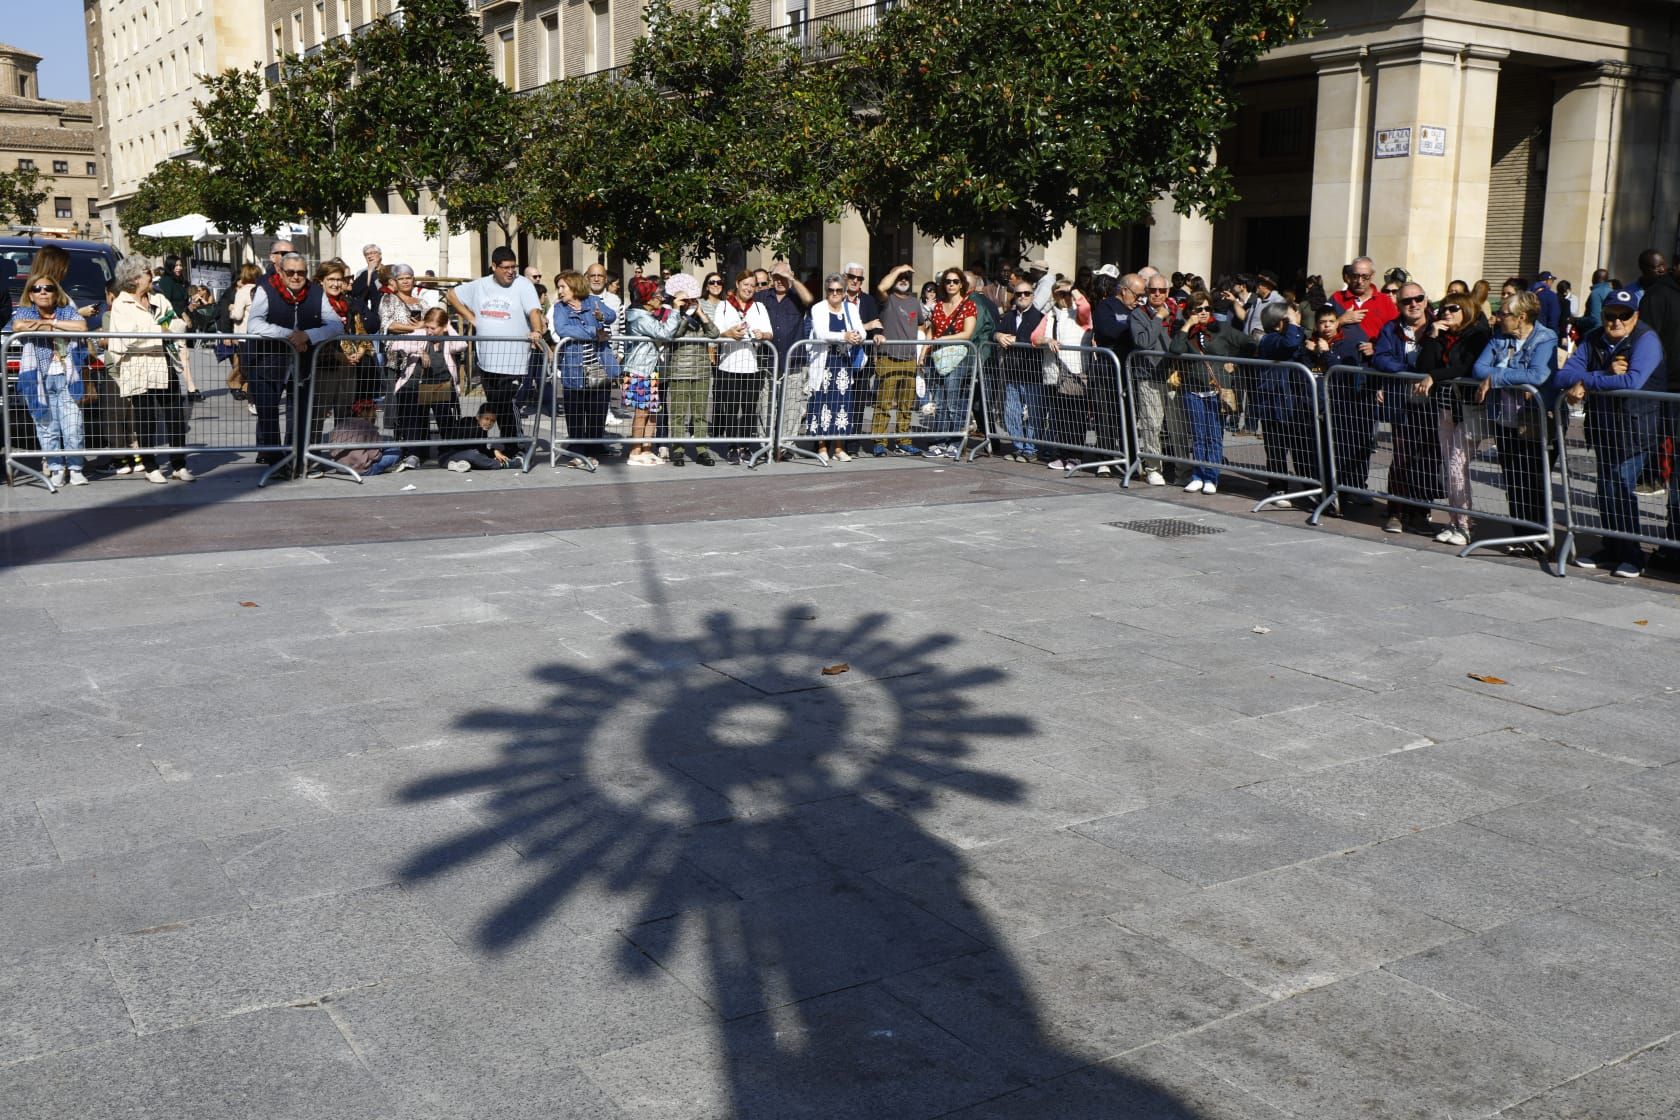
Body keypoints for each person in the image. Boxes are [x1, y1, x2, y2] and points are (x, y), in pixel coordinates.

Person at [1555, 288, 1667, 577]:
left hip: (1636, 429)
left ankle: (1632, 555)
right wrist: (1602, 374)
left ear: (1635, 316)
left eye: (1624, 315)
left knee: (1619, 485)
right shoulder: (1594, 338)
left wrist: (1586, 382)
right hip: (1602, 428)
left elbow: (1633, 380)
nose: (1617, 321)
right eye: (1611, 315)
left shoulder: (1646, 340)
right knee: (1605, 489)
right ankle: (1612, 547)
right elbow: (1563, 375)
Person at [1471, 289, 1558, 545]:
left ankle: (1540, 539)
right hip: (1504, 418)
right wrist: (1501, 376)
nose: (1498, 318)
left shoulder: (1545, 337)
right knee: (1513, 480)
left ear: (1521, 317)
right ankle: (1520, 538)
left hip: (1534, 420)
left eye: (1504, 314)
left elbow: (1538, 375)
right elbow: (1478, 368)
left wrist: (1495, 377)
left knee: (1533, 481)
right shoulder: (1500, 338)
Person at [246, 251, 345, 463]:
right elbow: (254, 325)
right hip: (268, 363)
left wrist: (308, 335)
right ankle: (274, 460)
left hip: (303, 364)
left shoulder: (315, 292)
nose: (296, 277)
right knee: (268, 414)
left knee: (298, 414)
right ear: (281, 272)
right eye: (290, 272)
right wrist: (290, 336)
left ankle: (295, 459)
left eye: (301, 272)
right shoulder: (266, 289)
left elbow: (336, 325)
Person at [447, 246, 544, 458]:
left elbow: (534, 311)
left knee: (507, 403)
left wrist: (536, 330)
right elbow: (451, 295)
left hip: (514, 361)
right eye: (505, 267)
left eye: (513, 267)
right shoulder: (480, 285)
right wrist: (471, 318)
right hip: (487, 360)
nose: (510, 272)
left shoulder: (523, 284)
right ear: (494, 266)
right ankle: (506, 444)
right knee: (497, 406)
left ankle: (514, 444)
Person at [1414, 293, 1493, 548]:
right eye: (1443, 309)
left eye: (1453, 308)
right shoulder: (1442, 335)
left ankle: (1465, 525)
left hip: (1468, 408)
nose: (1446, 313)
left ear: (1466, 310)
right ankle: (1453, 521)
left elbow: (1467, 368)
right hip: (1445, 407)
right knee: (1449, 467)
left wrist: (1434, 376)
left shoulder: (1477, 335)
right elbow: (1423, 366)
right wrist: (1432, 337)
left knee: (1457, 466)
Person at [106, 256, 192, 483]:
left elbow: (178, 324)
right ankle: (150, 467)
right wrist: (160, 331)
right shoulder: (121, 304)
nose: (151, 273)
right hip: (137, 365)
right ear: (134, 278)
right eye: (146, 271)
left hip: (163, 362)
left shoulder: (159, 298)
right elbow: (129, 338)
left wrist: (161, 330)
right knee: (146, 418)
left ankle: (179, 465)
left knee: (175, 415)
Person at [1372, 282, 1444, 534]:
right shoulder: (1391, 328)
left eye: (1418, 298)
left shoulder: (1439, 325)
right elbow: (1380, 357)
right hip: (1402, 402)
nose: (1413, 304)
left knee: (1429, 459)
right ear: (1398, 304)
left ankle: (1421, 512)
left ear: (1426, 299)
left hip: (1433, 404)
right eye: (1406, 301)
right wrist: (1408, 372)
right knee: (1402, 457)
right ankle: (1397, 511)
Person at [1169, 290, 1254, 494]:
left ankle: (1211, 477)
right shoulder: (1186, 332)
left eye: (1207, 308)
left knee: (1214, 436)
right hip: (1193, 390)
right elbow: (1175, 349)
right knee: (1198, 436)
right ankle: (1198, 475)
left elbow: (1249, 343)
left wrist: (1234, 362)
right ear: (1190, 311)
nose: (1204, 312)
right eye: (1198, 309)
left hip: (1217, 391)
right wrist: (1188, 325)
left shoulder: (1222, 328)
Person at [549, 268, 619, 465]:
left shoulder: (592, 301)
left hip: (598, 365)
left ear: (574, 286)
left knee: (597, 409)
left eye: (563, 287)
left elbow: (611, 316)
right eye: (558, 287)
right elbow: (563, 329)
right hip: (574, 367)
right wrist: (593, 332)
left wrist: (601, 316)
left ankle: (594, 447)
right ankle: (577, 449)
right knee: (575, 411)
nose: (560, 291)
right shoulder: (560, 308)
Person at [385, 305, 465, 470]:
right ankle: (413, 454)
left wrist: (448, 327)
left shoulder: (448, 338)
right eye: (427, 327)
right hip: (416, 384)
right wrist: (420, 351)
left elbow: (462, 345)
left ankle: (449, 452)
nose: (429, 331)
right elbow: (395, 344)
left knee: (445, 420)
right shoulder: (421, 334)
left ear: (443, 327)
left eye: (433, 328)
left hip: (440, 384)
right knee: (413, 420)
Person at [1253, 302, 1317, 506]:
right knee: (1276, 449)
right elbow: (1289, 343)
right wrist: (1293, 324)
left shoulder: (1294, 337)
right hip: (1274, 403)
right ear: (1279, 322)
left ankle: (1310, 487)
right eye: (1291, 316)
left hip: (1295, 403)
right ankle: (1277, 488)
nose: (1297, 316)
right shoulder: (1269, 340)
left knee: (1302, 449)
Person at [650, 273, 717, 466]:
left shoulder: (700, 315)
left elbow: (714, 333)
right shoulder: (672, 315)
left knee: (700, 414)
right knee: (678, 414)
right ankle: (678, 451)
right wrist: (683, 314)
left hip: (702, 370)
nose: (689, 302)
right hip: (679, 370)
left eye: (691, 299)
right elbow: (674, 335)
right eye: (685, 299)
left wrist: (701, 314)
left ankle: (702, 450)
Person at [710, 270, 774, 465]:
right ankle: (731, 447)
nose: (749, 288)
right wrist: (729, 333)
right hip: (728, 365)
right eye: (745, 284)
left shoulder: (759, 307)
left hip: (751, 366)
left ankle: (745, 447)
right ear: (737, 284)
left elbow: (770, 333)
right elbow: (715, 333)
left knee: (749, 408)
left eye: (752, 285)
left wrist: (762, 335)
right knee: (730, 408)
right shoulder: (724, 306)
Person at [802, 274, 867, 463]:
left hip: (843, 364)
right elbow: (822, 333)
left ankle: (839, 448)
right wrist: (844, 336)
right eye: (831, 290)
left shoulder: (850, 308)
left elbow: (861, 330)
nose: (835, 293)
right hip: (823, 363)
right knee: (821, 403)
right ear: (826, 291)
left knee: (841, 405)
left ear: (844, 292)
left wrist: (857, 336)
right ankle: (822, 446)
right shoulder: (818, 308)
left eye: (839, 290)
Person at [869, 263, 925, 457]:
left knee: (906, 405)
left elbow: (922, 326)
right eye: (900, 276)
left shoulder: (915, 302)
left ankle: (904, 441)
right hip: (889, 358)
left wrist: (921, 351)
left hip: (909, 359)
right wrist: (899, 269)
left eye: (907, 277)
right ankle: (879, 442)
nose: (903, 279)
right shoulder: (887, 299)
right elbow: (881, 287)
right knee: (883, 404)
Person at [1128, 273, 1177, 483]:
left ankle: (1183, 470)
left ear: (1168, 292)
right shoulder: (1138, 314)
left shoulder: (1176, 312)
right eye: (1153, 290)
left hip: (1174, 377)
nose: (1157, 294)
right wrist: (1158, 318)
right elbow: (1143, 342)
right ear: (1146, 292)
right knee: (1152, 425)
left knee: (1178, 427)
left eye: (1162, 290)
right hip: (1148, 377)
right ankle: (1153, 469)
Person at [993, 278, 1047, 463]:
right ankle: (1018, 447)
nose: (1022, 296)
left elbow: (1038, 338)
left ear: (1032, 296)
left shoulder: (1039, 317)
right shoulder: (1009, 316)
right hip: (1012, 372)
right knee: (1011, 412)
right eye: (1018, 294)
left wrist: (1017, 339)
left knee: (1035, 414)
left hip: (1032, 373)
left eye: (1026, 293)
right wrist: (998, 335)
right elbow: (995, 332)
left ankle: (1031, 448)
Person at [926, 268, 978, 458]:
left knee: (953, 403)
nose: (951, 285)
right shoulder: (939, 305)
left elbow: (967, 333)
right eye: (948, 281)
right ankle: (940, 441)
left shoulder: (968, 305)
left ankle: (956, 442)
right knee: (939, 403)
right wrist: (924, 351)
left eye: (955, 281)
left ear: (961, 284)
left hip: (959, 358)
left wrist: (942, 339)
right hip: (938, 357)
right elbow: (931, 331)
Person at [1039, 280, 1091, 470]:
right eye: (1060, 294)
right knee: (1061, 417)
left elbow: (1085, 307)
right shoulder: (1051, 314)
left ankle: (1075, 456)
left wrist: (1073, 290)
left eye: (1067, 293)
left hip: (1077, 371)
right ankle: (1062, 455)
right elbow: (1034, 337)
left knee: (1076, 417)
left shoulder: (1081, 314)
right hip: (1057, 372)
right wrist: (1047, 339)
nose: (1064, 297)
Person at [619, 275, 669, 466]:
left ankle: (647, 449)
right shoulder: (640, 317)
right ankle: (635, 451)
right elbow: (664, 333)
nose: (661, 299)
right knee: (641, 412)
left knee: (652, 411)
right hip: (639, 370)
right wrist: (674, 313)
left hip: (652, 368)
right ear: (648, 298)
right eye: (658, 295)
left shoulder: (649, 316)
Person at [320, 398, 403, 477]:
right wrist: (380, 453)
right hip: (361, 470)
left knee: (384, 444)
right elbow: (374, 456)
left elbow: (332, 451)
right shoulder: (369, 428)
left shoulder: (341, 424)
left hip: (341, 468)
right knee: (395, 451)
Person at [1331, 257, 1399, 341]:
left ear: (1372, 275)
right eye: (1355, 276)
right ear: (1350, 276)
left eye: (1365, 276)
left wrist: (1375, 345)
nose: (1359, 281)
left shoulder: (1385, 300)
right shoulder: (1337, 298)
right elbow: (1320, 329)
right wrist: (1341, 320)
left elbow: (1396, 333)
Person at [351, 244, 385, 339]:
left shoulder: (388, 270)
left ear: (380, 255)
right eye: (367, 254)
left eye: (373, 253)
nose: (370, 256)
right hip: (373, 315)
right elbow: (359, 293)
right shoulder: (362, 273)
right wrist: (370, 272)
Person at [1530, 272, 1564, 336]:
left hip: (1526, 332)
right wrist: (1553, 333)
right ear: (1547, 281)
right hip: (1543, 333)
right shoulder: (1550, 295)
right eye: (1552, 281)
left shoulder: (1527, 293)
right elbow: (1554, 317)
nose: (1552, 283)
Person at [1581, 268, 1612, 333]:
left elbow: (1594, 319)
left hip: (1596, 333)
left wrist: (1577, 321)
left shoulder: (1596, 293)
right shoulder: (1612, 292)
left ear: (1593, 279)